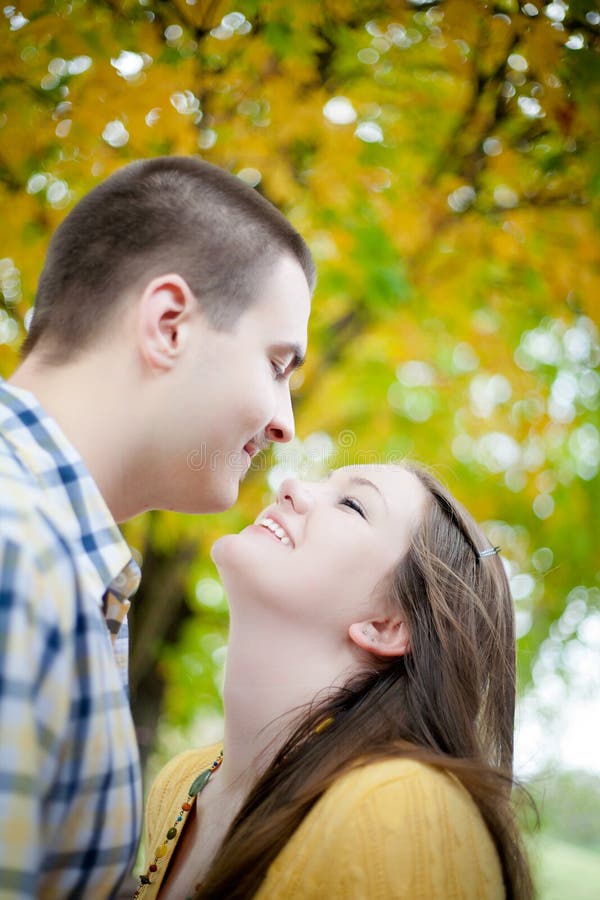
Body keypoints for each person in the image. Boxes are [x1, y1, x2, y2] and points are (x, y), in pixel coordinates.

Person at [0, 156, 315, 898]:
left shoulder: (63, 566)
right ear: (168, 325)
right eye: (277, 364)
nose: (286, 424)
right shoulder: (18, 553)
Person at [137, 463, 533, 899]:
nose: (290, 486)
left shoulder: (402, 814)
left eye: (351, 504)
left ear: (386, 625)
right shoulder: (180, 784)